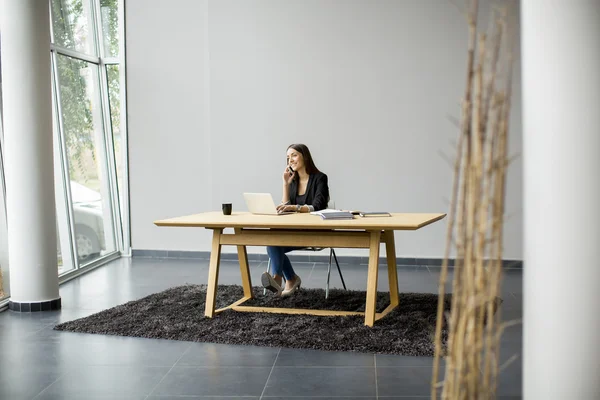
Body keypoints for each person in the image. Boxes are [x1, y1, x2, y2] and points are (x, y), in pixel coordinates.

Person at [261, 143, 330, 296]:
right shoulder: (294, 180)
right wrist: (285, 184)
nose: (290, 160)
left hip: (315, 231)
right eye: (287, 158)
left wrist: (296, 208)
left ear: (304, 156)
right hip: (294, 229)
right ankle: (281, 280)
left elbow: (318, 206)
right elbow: (286, 206)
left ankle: (285, 280)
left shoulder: (320, 178)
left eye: (294, 155)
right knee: (272, 240)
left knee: (274, 244)